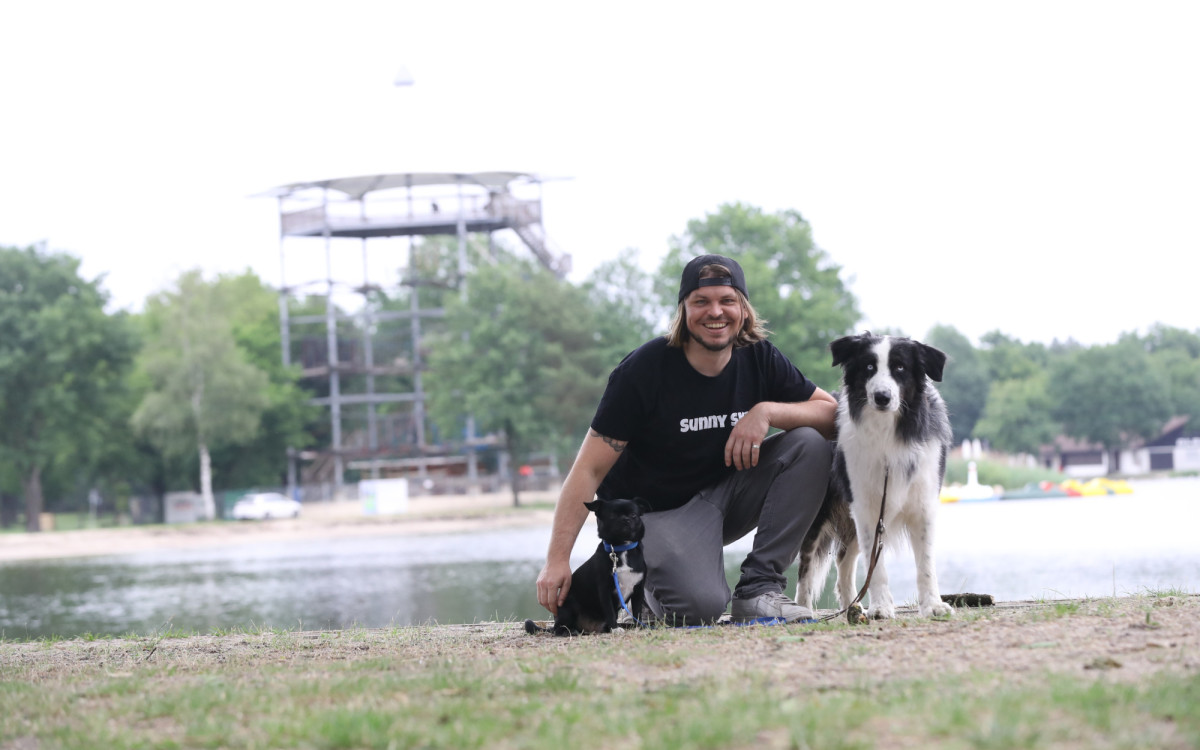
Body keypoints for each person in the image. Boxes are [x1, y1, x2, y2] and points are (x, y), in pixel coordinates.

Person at [535, 253, 837, 625]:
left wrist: (767, 412)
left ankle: (759, 590)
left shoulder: (759, 357)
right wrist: (557, 560)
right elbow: (589, 470)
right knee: (699, 608)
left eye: (727, 300)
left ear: (743, 309)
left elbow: (832, 415)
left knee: (810, 444)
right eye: (701, 301)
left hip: (726, 497)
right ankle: (638, 591)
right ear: (684, 310)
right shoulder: (643, 371)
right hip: (658, 516)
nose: (716, 312)